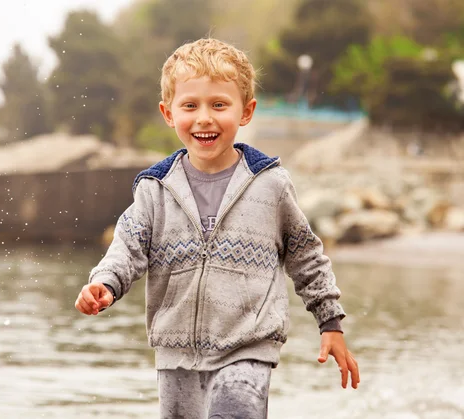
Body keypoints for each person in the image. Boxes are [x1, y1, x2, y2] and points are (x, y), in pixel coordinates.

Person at [75, 38, 360, 418]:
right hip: (175, 353)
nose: (204, 118)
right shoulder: (155, 189)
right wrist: (105, 283)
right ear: (168, 112)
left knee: (233, 410)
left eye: (219, 105)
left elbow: (307, 255)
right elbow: (127, 247)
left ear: (246, 112)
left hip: (248, 347)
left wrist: (331, 322)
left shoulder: (270, 184)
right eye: (190, 106)